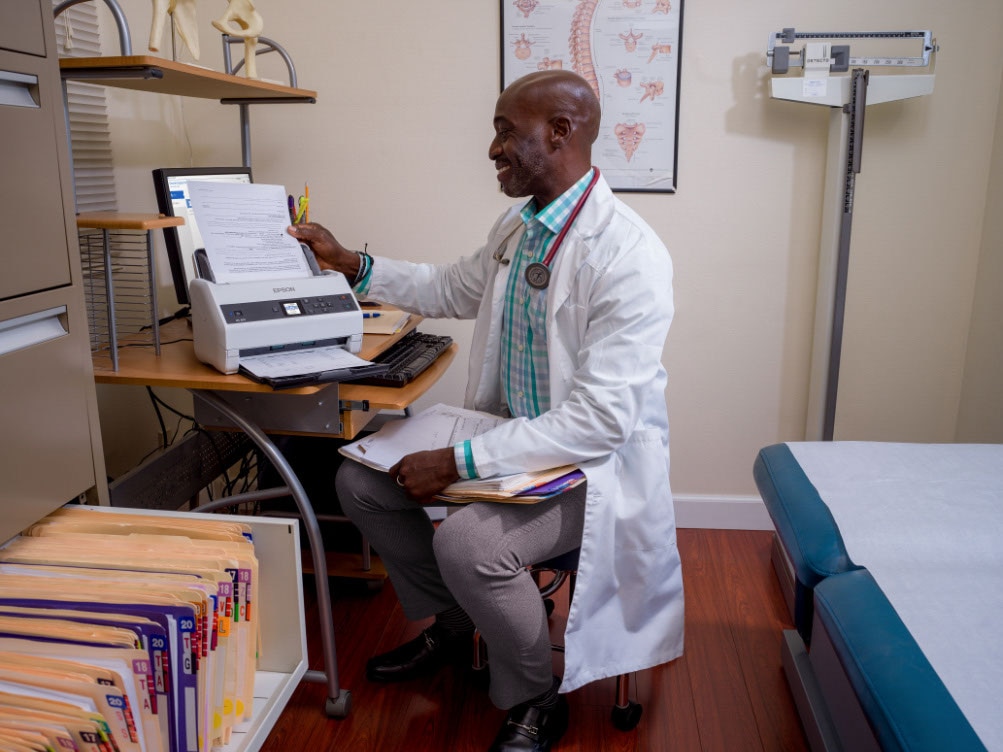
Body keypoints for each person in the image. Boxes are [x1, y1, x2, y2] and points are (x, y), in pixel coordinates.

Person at [289, 69, 684, 752]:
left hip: (588, 469)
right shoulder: (520, 225)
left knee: (468, 541)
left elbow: (598, 423)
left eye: (506, 130)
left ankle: (534, 693)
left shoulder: (629, 255)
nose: (492, 147)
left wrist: (457, 461)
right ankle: (453, 621)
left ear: (559, 132)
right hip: (510, 443)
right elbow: (448, 285)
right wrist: (350, 262)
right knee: (358, 481)